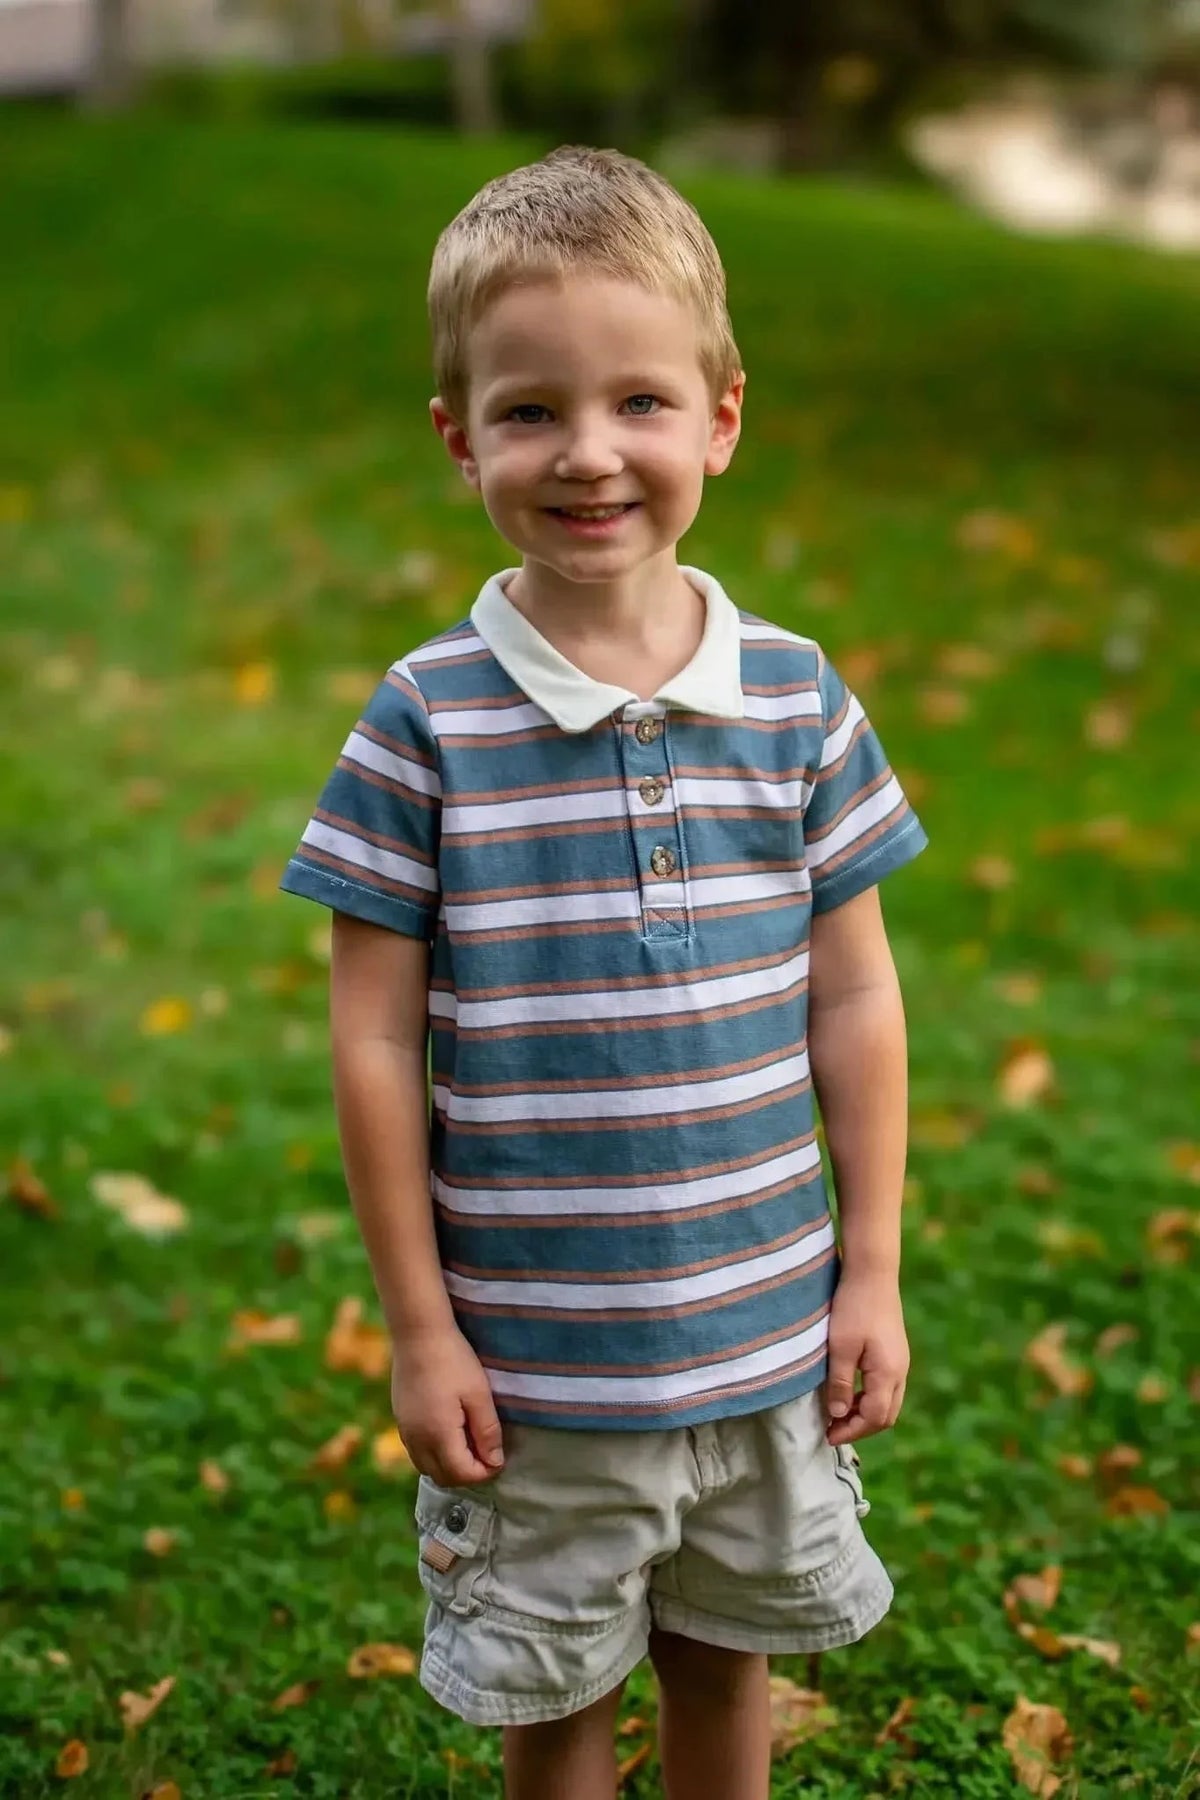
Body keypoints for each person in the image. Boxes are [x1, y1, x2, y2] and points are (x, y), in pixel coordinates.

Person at [280, 144, 927, 1800]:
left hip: (768, 1338)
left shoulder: (794, 699)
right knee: (554, 1707)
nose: (588, 456)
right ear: (459, 436)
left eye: (639, 401)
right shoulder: (427, 718)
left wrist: (872, 1275)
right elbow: (369, 1042)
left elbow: (853, 996)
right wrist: (421, 1334)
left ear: (721, 416)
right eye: (529, 412)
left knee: (728, 1679)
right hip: (537, 1371)